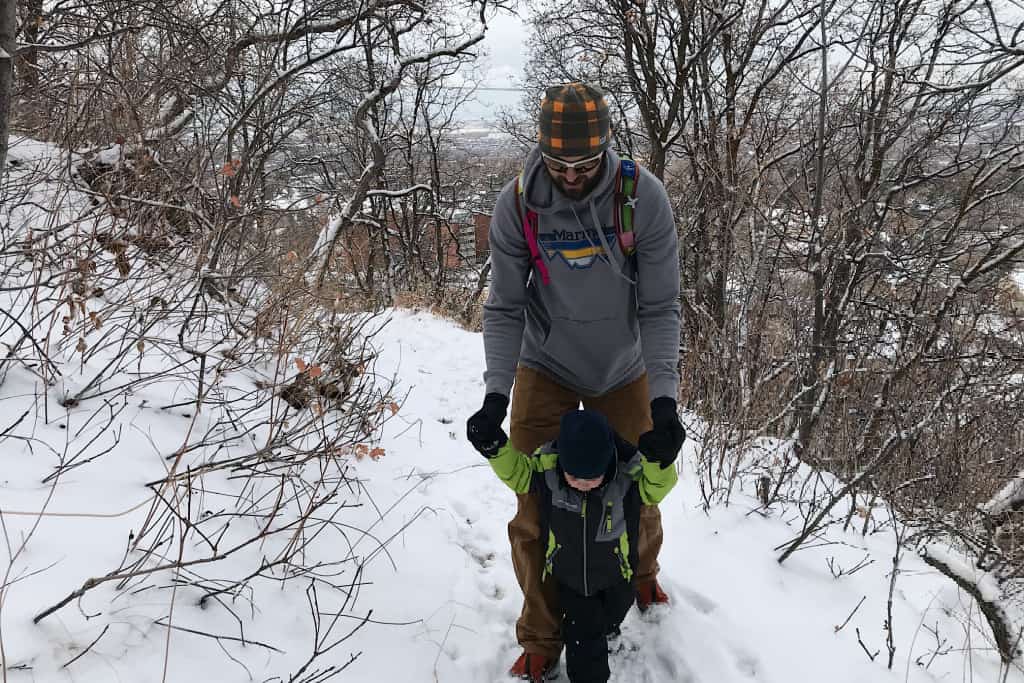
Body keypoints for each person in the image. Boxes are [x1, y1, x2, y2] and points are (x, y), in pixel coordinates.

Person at [466, 82, 686, 681]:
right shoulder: (519, 205)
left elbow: (662, 306)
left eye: (585, 164)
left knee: (637, 486)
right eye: (559, 163)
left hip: (624, 367)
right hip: (548, 365)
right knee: (535, 506)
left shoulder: (644, 200)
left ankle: (641, 573)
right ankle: (542, 633)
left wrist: (663, 402)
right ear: (541, 151)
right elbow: (505, 307)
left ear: (607, 148)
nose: (571, 175)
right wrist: (495, 394)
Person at [473, 409, 678, 683]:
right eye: (574, 477)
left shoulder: (627, 477)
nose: (583, 484)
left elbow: (656, 488)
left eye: (592, 478)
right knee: (585, 637)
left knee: (614, 612)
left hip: (618, 574)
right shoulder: (547, 471)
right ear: (562, 464)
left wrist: (660, 461)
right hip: (571, 579)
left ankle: (607, 628)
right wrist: (496, 449)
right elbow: (518, 474)